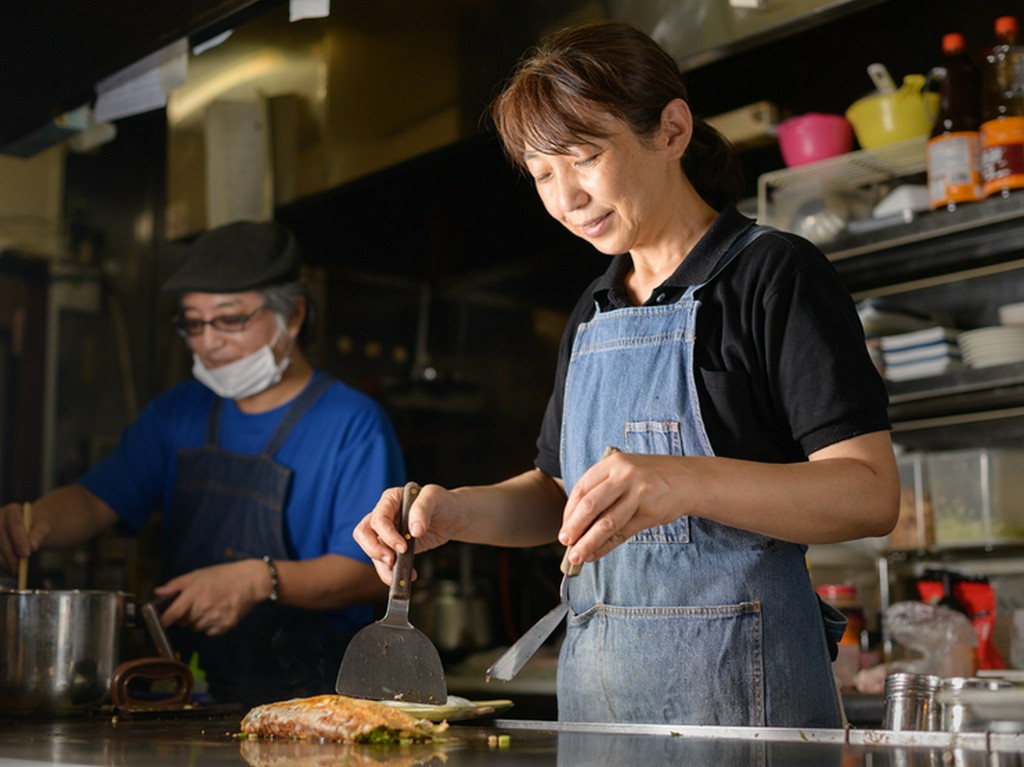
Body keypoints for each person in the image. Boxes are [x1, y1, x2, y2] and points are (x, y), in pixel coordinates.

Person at [354, 21, 899, 727]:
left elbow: (870, 492)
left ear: (671, 130)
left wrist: (680, 478)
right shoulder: (594, 308)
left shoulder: (774, 276)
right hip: (605, 715)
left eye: (582, 157)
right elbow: (559, 494)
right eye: (542, 173)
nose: (565, 198)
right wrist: (455, 511)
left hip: (748, 705)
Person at [0, 220, 405, 706]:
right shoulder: (177, 413)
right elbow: (92, 501)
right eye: (193, 322)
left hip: (316, 696)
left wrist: (262, 579)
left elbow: (368, 573)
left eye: (229, 320)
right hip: (182, 689)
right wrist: (37, 519)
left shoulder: (352, 423)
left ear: (293, 315)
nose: (208, 341)